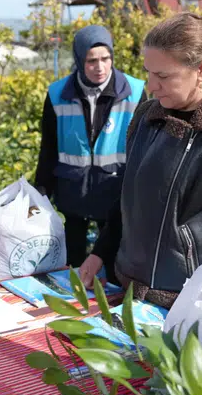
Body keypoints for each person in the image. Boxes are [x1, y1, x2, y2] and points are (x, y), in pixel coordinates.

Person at [78, 12, 202, 308]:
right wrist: (101, 251)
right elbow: (129, 195)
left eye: (163, 76)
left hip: (199, 307)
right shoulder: (147, 116)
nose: (151, 85)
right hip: (134, 294)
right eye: (149, 72)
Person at [35, 25, 146, 268]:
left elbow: (143, 149)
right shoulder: (57, 94)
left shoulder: (135, 92)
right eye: (91, 61)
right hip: (72, 191)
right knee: (71, 266)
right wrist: (40, 194)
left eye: (105, 59)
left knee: (114, 265)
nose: (100, 67)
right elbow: (48, 149)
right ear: (79, 60)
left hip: (114, 192)